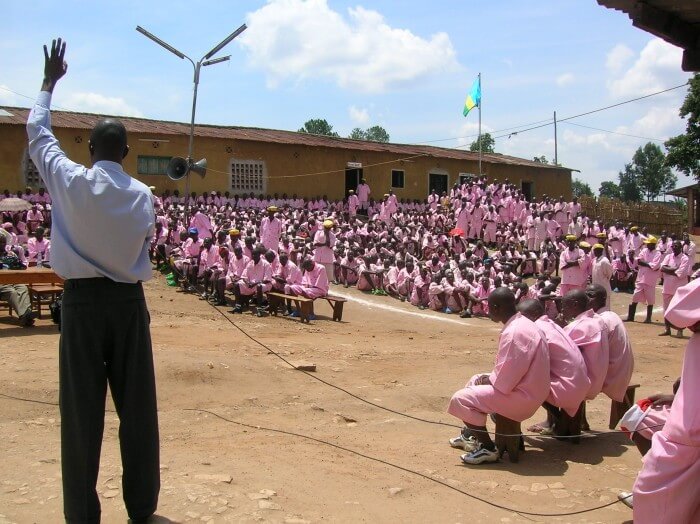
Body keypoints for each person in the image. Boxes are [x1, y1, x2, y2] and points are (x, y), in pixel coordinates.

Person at [26, 39, 160, 523]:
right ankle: (141, 506)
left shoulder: (70, 180)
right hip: (127, 305)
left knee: (81, 414)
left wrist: (49, 82)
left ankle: (82, 514)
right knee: (137, 409)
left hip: (81, 305)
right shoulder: (142, 195)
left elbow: (37, 132)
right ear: (126, 152)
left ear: (89, 149)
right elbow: (145, 241)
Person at [447, 288, 550, 464]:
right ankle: (470, 434)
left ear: (496, 307)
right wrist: (488, 379)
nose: (487, 310)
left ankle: (488, 448)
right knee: (475, 379)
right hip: (531, 389)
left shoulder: (514, 332)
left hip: (523, 397)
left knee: (460, 399)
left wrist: (490, 380)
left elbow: (505, 382)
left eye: (489, 306)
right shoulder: (522, 323)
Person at [631, 278, 700, 522]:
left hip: (688, 434)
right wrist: (675, 396)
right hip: (688, 424)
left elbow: (677, 310)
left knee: (652, 494)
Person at [518, 299, 590, 435]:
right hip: (581, 385)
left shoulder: (535, 329)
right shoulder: (551, 324)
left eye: (522, 316)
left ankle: (559, 421)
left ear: (534, 314)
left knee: (524, 384)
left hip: (567, 388)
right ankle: (558, 422)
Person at [626, 235, 661, 324]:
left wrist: (645, 263)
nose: (647, 245)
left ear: (653, 245)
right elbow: (639, 261)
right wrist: (649, 264)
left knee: (650, 299)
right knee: (635, 296)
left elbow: (655, 266)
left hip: (650, 279)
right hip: (641, 278)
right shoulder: (644, 250)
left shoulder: (657, 253)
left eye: (649, 244)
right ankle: (631, 317)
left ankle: (648, 318)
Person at [659, 240, 689, 337]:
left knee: (679, 310)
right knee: (666, 309)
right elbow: (662, 268)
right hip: (667, 287)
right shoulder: (668, 256)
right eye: (673, 246)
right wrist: (675, 269)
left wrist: (668, 269)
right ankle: (667, 329)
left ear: (681, 247)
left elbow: (680, 273)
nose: (674, 248)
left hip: (679, 289)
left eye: (676, 246)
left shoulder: (685, 258)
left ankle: (680, 330)